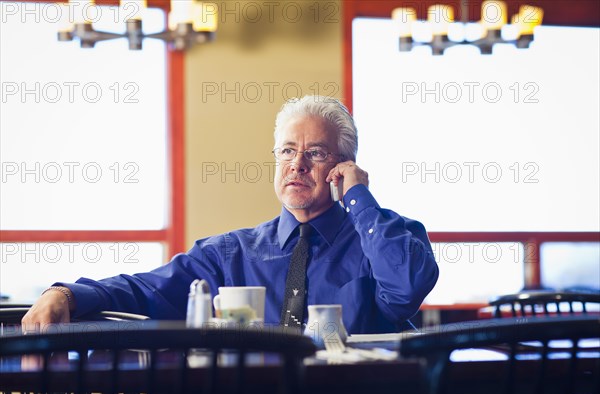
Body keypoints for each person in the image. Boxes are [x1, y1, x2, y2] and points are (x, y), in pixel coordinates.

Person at [22, 95, 439, 334]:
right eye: (287, 152)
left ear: (341, 166)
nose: (297, 166)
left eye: (314, 154)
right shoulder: (229, 254)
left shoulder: (385, 236)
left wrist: (359, 197)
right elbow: (147, 289)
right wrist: (67, 294)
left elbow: (405, 292)